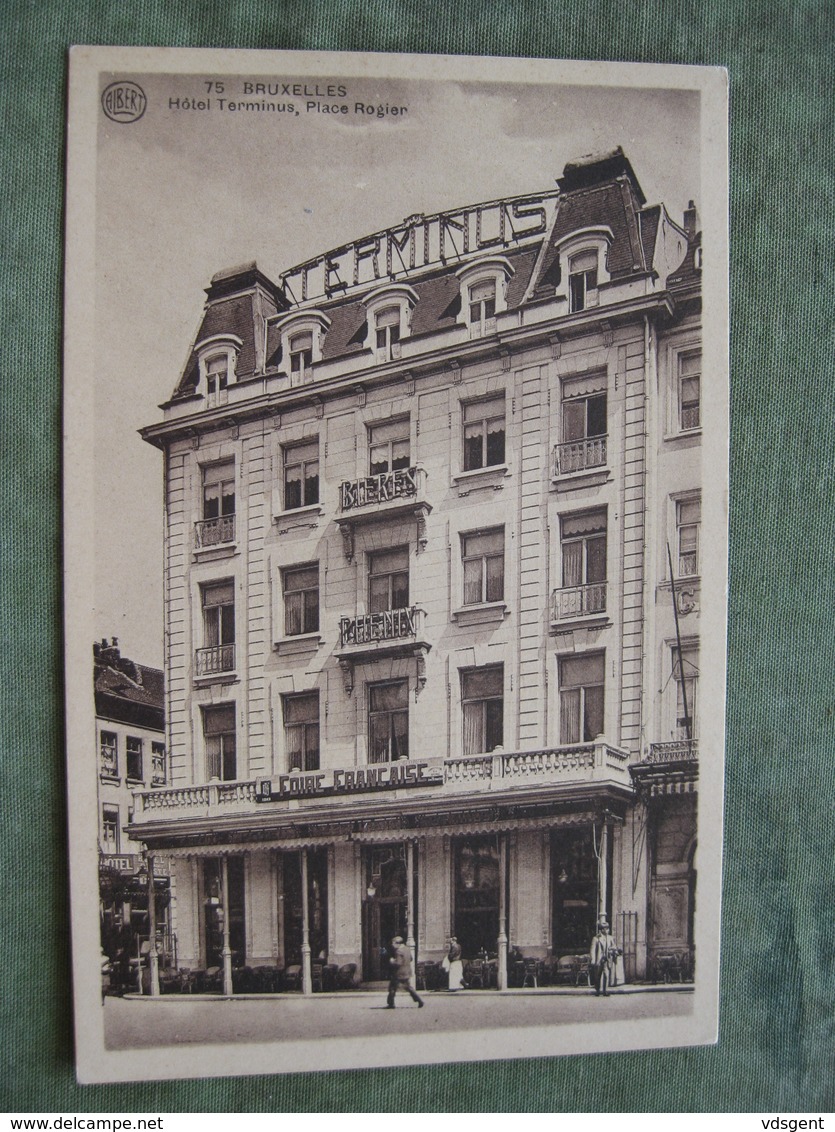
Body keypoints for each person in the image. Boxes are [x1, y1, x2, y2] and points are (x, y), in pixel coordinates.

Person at [386, 935, 424, 1008]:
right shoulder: (407, 949)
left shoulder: (398, 951)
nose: (392, 945)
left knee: (392, 988)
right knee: (408, 988)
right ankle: (419, 1000)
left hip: (399, 973)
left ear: (398, 943)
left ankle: (391, 1004)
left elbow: (398, 963)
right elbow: (411, 959)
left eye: (393, 943)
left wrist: (392, 961)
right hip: (407, 972)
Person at [590, 917, 616, 996]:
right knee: (598, 975)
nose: (608, 930)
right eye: (606, 929)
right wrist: (593, 960)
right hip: (599, 959)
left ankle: (605, 991)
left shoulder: (610, 938)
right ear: (602, 930)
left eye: (608, 929)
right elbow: (592, 950)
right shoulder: (596, 938)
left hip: (607, 959)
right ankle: (597, 990)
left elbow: (614, 946)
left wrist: (613, 949)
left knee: (606, 975)